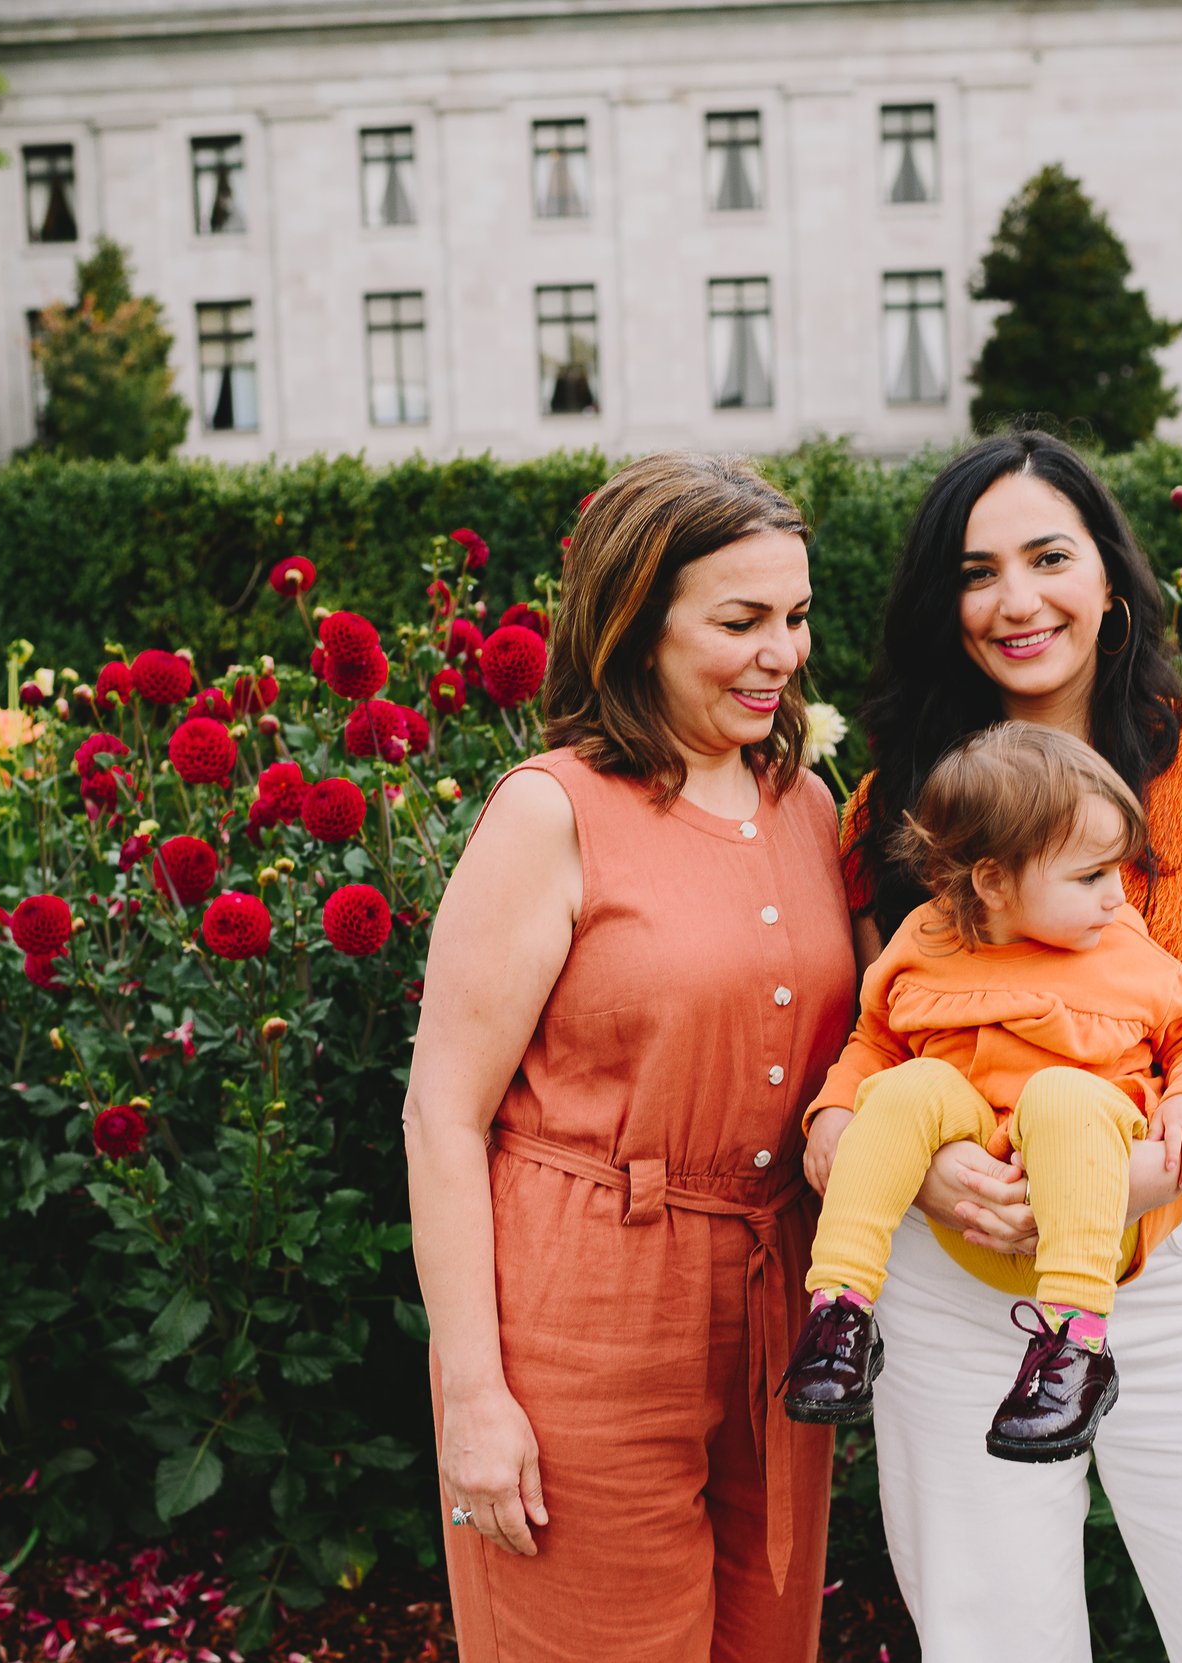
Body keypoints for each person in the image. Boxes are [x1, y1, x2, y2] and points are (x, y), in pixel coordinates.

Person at [828, 431, 1182, 1660]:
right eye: (975, 572)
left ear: (1111, 577)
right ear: (942, 603)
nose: (1015, 600)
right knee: (988, 1631)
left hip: (1175, 1252)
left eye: (1047, 556)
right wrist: (926, 1174)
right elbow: (889, 1032)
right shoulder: (893, 800)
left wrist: (1099, 1193)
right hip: (957, 1263)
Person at [402, 451, 858, 1662]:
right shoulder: (550, 812)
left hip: (777, 1308)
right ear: (637, 624)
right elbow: (441, 1115)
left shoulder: (809, 802)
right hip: (585, 1315)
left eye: (798, 615)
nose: (784, 651)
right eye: (742, 620)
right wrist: (473, 1393)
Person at [779, 723, 1182, 1465]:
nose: (1114, 895)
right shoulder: (923, 945)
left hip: (1090, 1221)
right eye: (1089, 876)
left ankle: (1077, 1347)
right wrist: (836, 1109)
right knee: (909, 1084)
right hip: (970, 1218)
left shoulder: (1125, 951)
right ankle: (840, 1308)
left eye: (1116, 871)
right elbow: (875, 1040)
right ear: (992, 882)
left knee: (1064, 1092)